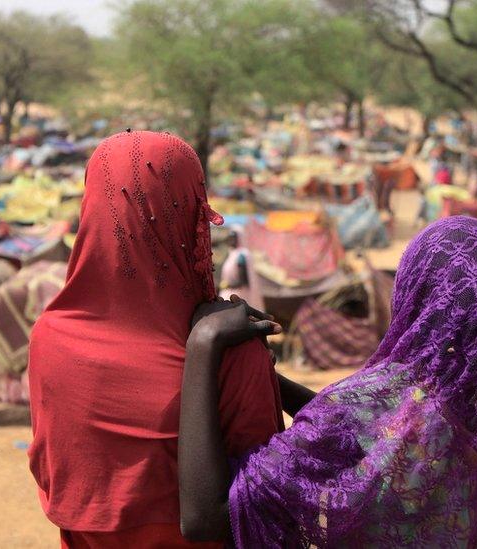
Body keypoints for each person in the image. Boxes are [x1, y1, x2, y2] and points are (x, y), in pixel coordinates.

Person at [180, 216, 477, 547]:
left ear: (415, 294)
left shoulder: (375, 403)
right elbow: (384, 432)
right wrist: (270, 379)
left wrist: (203, 345)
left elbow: (206, 517)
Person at [27, 130, 285, 548]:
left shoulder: (49, 339)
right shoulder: (231, 352)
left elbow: (55, 480)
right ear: (193, 213)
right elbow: (260, 509)